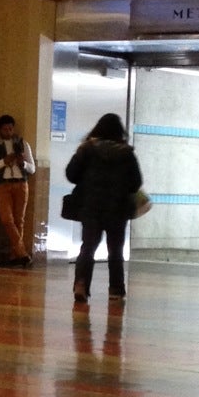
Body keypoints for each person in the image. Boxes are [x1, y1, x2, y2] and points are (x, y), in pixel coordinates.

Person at [67, 113, 143, 306]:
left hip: (91, 206)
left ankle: (81, 285)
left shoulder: (86, 149)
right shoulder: (126, 153)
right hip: (117, 209)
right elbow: (136, 183)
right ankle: (115, 290)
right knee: (115, 250)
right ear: (120, 131)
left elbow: (71, 174)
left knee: (88, 247)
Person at [0, 114, 36, 267]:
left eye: (11, 129)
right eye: (5, 129)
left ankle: (15, 255)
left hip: (21, 184)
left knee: (19, 220)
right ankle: (22, 252)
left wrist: (22, 163)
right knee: (7, 219)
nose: (8, 132)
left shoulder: (23, 143)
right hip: (3, 184)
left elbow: (32, 169)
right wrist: (3, 162)